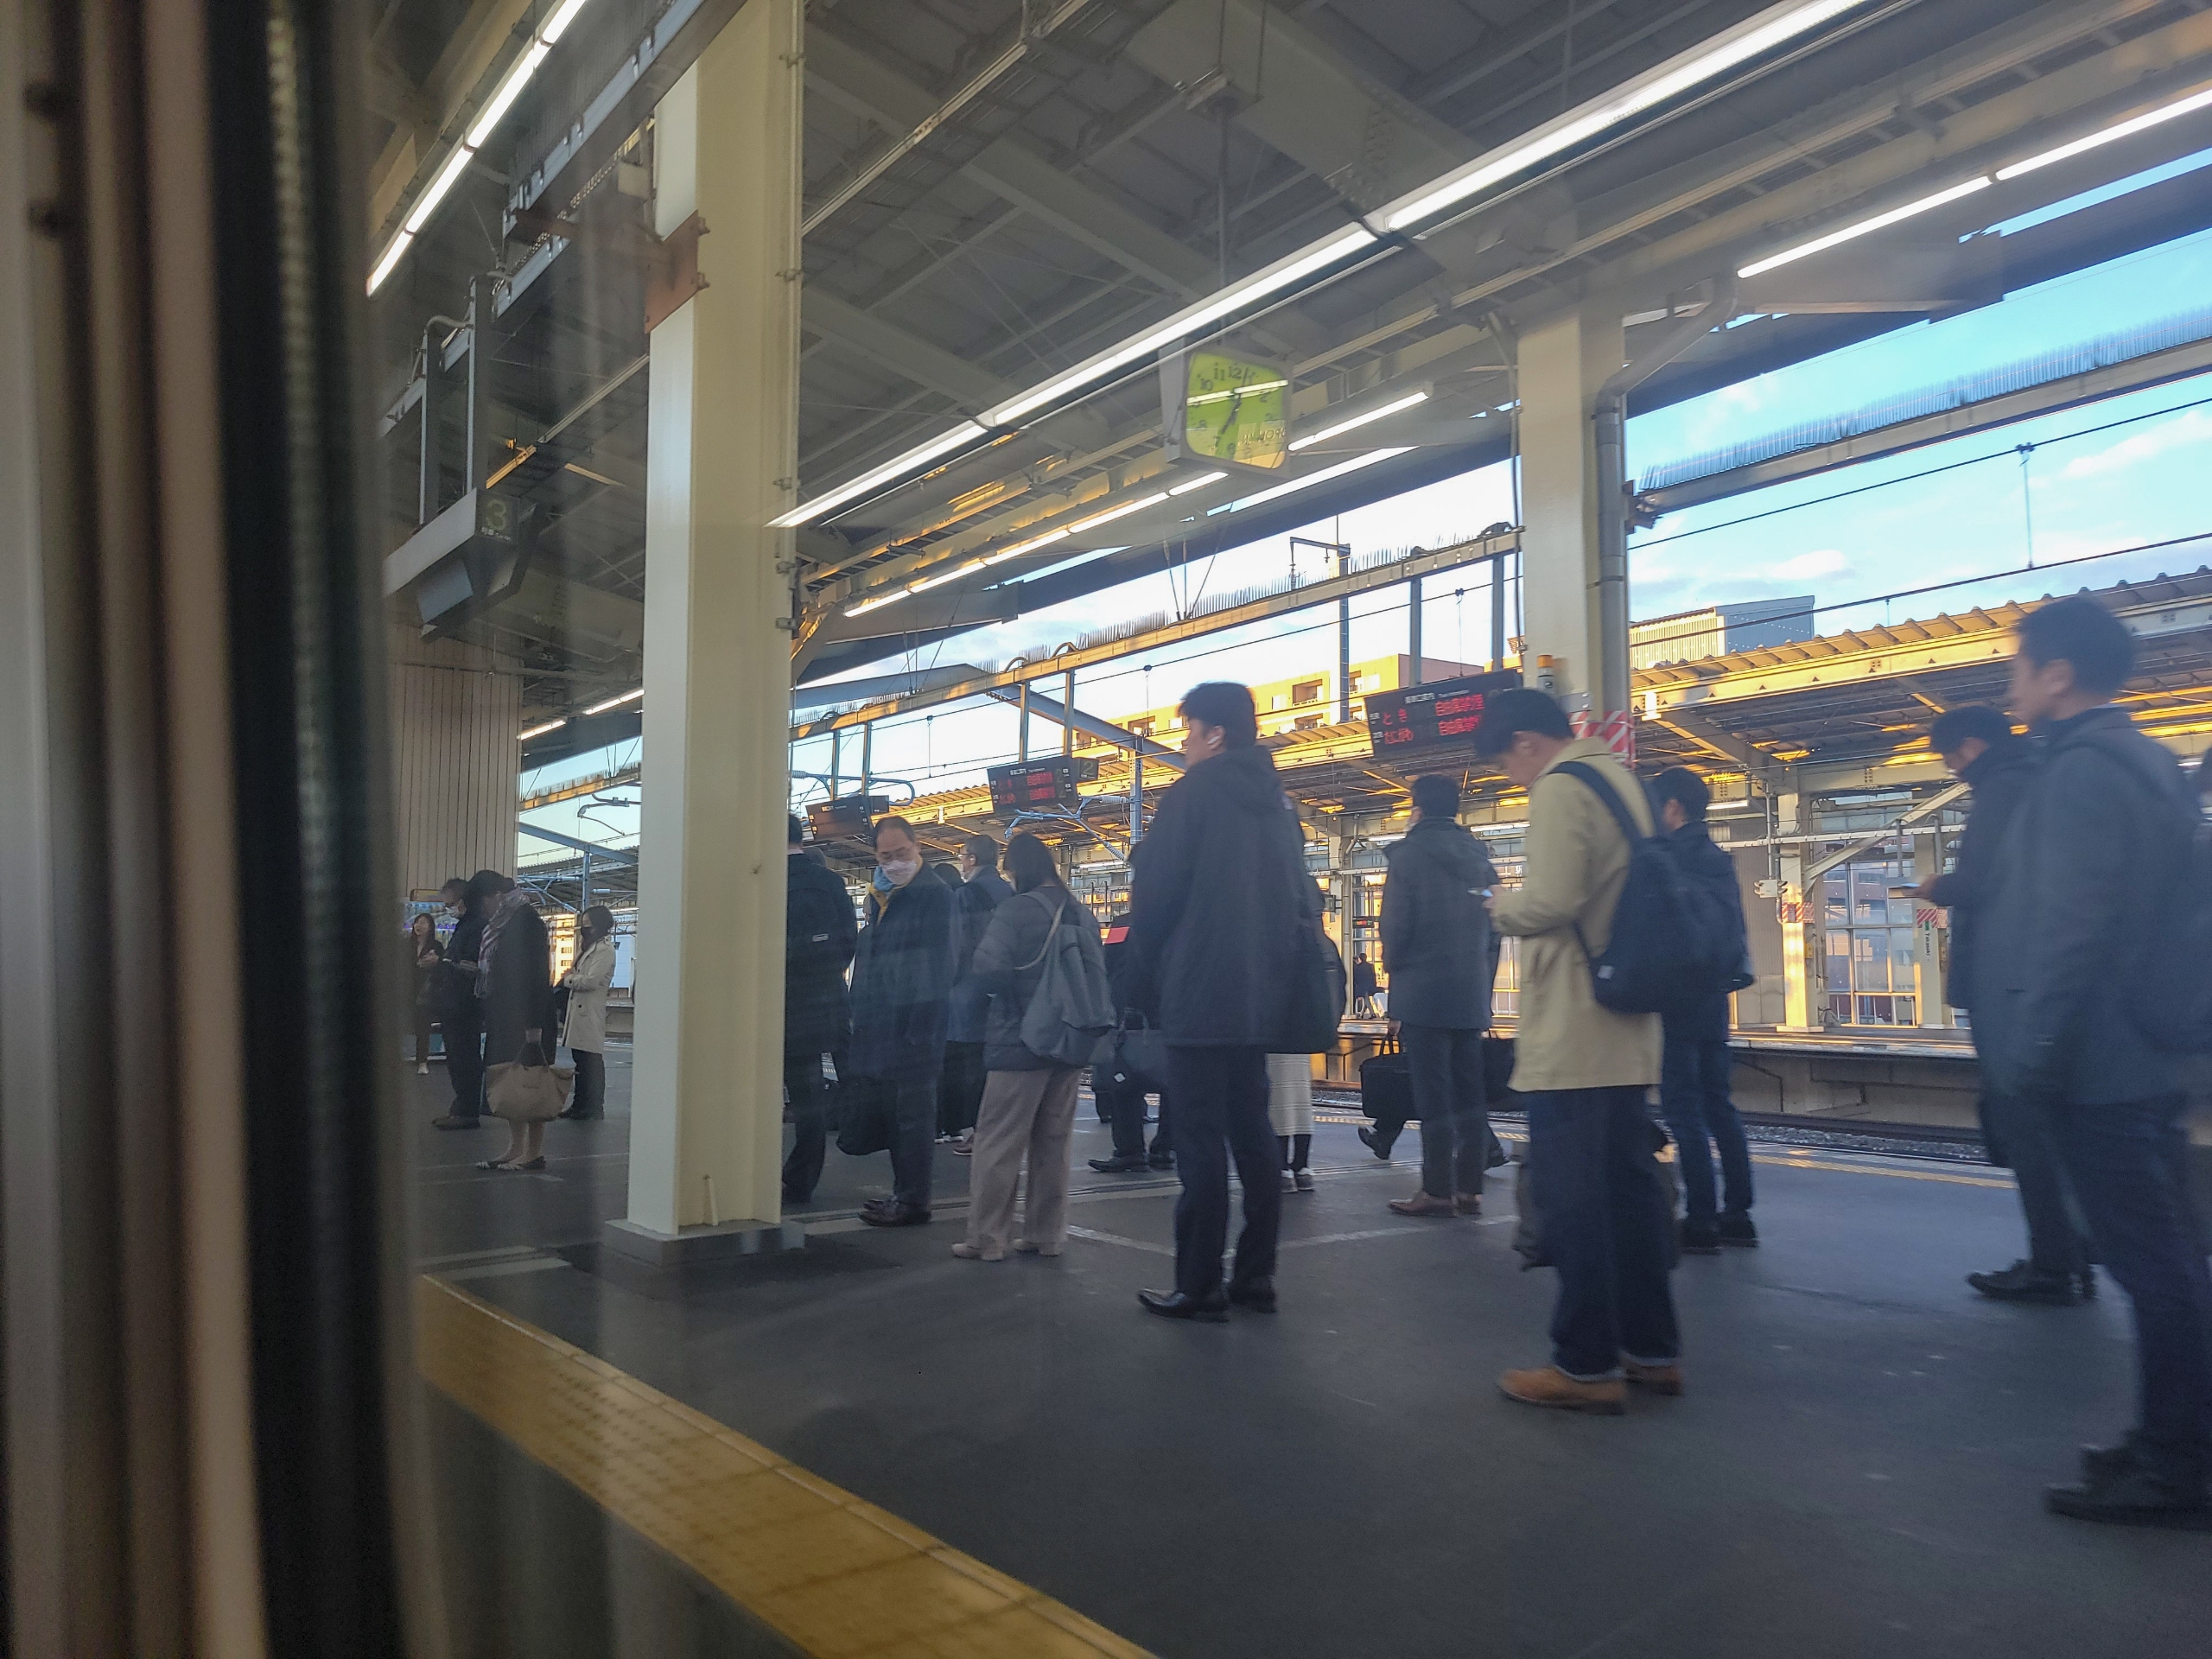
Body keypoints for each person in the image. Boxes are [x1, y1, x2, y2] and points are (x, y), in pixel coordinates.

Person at [1970, 595, 2212, 1527]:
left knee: (2154, 1268)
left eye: (2018, 667)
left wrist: (2028, 1057)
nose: (2011, 686)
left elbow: (2067, 929)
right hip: (2148, 1045)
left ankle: (2178, 1466)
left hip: (2097, 1061)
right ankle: (2169, 1439)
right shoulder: (2146, 759)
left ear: (2058, 674)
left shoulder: (2078, 772)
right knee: (2169, 1259)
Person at [1478, 690, 1677, 1414]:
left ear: (1526, 742)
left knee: (1573, 1200)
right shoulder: (1626, 781)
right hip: (1626, 1025)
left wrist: (1499, 905)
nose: (1513, 778)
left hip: (1575, 1027)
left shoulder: (1562, 786)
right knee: (1631, 1196)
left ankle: (1585, 1366)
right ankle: (1652, 1351)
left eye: (1507, 764)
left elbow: (1553, 900)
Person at [1127, 682, 1321, 1321]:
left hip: (1199, 990)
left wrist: (1143, 973)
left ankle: (1199, 1283)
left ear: (1215, 734)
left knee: (1199, 1141)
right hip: (1261, 996)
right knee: (1254, 1132)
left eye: (1189, 732)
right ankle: (1257, 1275)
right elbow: (1302, 896)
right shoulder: (1280, 805)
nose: (1184, 745)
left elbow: (1155, 895)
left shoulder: (1193, 794)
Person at [1916, 704, 2092, 1301]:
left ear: (1971, 746)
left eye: (1951, 758)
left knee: (2024, 1126)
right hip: (2039, 976)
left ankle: (2052, 1266)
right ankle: (2073, 1254)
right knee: (2053, 1125)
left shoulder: (2001, 788)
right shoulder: (2044, 777)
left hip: (2004, 981)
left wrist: (1939, 886)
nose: (1953, 769)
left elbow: (1982, 881)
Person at [953, 833, 1105, 1261]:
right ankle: (1046, 1235)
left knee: (998, 1143)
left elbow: (988, 968)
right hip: (1071, 1039)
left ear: (1017, 869)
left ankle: (988, 1239)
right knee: (1054, 1143)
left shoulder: (1015, 909)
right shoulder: (1081, 912)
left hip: (1020, 1041)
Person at [1378, 773, 1498, 1218]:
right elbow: (1496, 924)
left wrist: (1395, 973)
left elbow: (1395, 926)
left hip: (1423, 991)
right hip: (1469, 991)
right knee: (1470, 1093)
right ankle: (1470, 1189)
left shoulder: (1408, 857)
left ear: (1417, 809)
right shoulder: (1480, 858)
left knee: (1434, 1097)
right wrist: (1482, 980)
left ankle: (1437, 1190)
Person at [1649, 767, 1756, 1255]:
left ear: (1672, 807)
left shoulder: (1668, 858)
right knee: (1719, 1105)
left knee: (1683, 1109)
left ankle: (1701, 1219)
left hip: (1676, 998)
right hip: (1715, 997)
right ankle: (1739, 1216)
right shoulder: (1718, 859)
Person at [849, 816, 955, 1227]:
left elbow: (941, 965)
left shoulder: (935, 895)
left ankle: (913, 1201)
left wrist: (920, 1029)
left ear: (918, 847)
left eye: (902, 853)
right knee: (897, 1117)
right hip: (883, 1023)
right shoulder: (880, 896)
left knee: (913, 1118)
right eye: (886, 856)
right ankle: (902, 1193)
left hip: (915, 1027)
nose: (894, 862)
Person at [782, 816, 857, 1205]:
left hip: (777, 1002)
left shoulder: (767, 881)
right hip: (823, 1001)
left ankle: (750, 1176)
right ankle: (802, 1180)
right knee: (809, 1098)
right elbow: (849, 941)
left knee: (750, 1094)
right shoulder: (831, 882)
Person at [469, 869, 554, 1171]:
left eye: (483, 903)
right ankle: (516, 1147)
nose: (483, 911)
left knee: (531, 1082)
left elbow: (537, 974)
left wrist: (534, 1026)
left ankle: (534, 1151)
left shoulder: (527, 922)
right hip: (506, 1014)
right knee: (510, 1081)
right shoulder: (504, 923)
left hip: (528, 1017)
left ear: (495, 895)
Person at [1088, 910, 1173, 1173]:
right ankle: (1165, 1149)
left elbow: (1108, 963)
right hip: (1169, 1011)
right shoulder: (1181, 920)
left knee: (1123, 1081)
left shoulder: (1123, 923)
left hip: (1127, 1011)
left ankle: (1130, 1151)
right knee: (1172, 1083)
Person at [942, 833, 1011, 1151]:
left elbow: (957, 944)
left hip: (968, 991)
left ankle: (976, 1131)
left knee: (967, 1066)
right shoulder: (1010, 892)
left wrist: (948, 981)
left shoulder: (966, 894)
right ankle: (994, 1129)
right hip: (1002, 990)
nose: (961, 862)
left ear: (972, 859)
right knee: (994, 1065)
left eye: (963, 856)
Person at [431, 876, 487, 1129]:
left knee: (464, 1058)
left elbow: (470, 965)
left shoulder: (476, 926)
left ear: (463, 900)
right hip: (456, 1002)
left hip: (464, 1004)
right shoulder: (466, 925)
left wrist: (443, 964)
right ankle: (462, 1107)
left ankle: (467, 1110)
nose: (448, 909)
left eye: (450, 904)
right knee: (457, 1058)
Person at [556, 906, 617, 1122]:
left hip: (589, 1011)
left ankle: (593, 1106)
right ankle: (580, 1104)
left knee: (590, 1060)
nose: (585, 927)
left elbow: (591, 980)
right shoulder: (589, 947)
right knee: (581, 1060)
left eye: (588, 923)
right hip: (579, 1010)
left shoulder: (605, 950)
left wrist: (569, 980)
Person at [1268, 1053, 1315, 1193]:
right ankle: (1302, 1169)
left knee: (1278, 1107)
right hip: (1300, 1051)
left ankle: (1283, 1171)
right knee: (1301, 1105)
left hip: (1273, 1051)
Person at [407, 912, 442, 1074]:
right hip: (408, 990)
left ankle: (422, 1061)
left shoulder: (436, 946)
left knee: (423, 1028)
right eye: (417, 922)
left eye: (423, 922)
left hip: (426, 991)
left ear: (430, 927)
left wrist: (435, 962)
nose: (419, 925)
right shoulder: (406, 944)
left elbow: (443, 968)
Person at [1351, 953, 1379, 1017]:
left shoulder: (1357, 967)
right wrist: (1374, 984)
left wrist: (1356, 984)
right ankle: (1365, 1013)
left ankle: (1372, 1014)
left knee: (1366, 999)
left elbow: (1356, 977)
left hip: (1361, 985)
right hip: (1369, 985)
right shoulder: (1371, 966)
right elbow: (1373, 976)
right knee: (1366, 999)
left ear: (1360, 958)